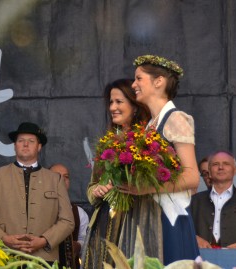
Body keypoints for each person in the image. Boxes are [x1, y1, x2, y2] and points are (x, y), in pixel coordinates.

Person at [120, 54, 200, 264]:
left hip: (169, 218)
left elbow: (192, 177)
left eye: (139, 78)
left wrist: (146, 188)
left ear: (159, 81)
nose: (133, 84)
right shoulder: (150, 125)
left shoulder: (176, 119)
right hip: (149, 215)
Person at [0, 122, 74, 263]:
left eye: (31, 141)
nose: (25, 144)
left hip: (44, 259)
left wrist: (44, 240)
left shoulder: (55, 179)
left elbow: (67, 220)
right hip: (5, 256)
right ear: (15, 146)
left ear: (39, 147)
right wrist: (4, 238)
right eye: (21, 141)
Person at [82, 78, 150, 268]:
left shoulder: (148, 142)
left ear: (135, 106)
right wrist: (97, 191)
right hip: (103, 224)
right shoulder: (106, 143)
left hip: (133, 223)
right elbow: (91, 187)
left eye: (119, 102)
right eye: (111, 102)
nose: (113, 107)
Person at [190, 150, 236, 249]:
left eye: (226, 164)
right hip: (202, 260)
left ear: (235, 170)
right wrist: (193, 238)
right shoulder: (194, 201)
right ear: (209, 171)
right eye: (215, 164)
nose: (221, 167)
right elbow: (181, 231)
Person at [50, 163, 89, 269]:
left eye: (66, 177)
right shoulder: (36, 210)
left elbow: (85, 240)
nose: (62, 180)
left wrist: (78, 245)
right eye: (57, 176)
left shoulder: (79, 213)